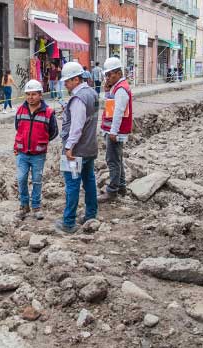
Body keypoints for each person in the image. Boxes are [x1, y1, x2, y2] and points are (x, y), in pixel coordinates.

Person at [55, 61, 99, 234]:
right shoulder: (92, 93)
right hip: (90, 148)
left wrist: (69, 147)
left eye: (66, 81)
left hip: (76, 152)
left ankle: (68, 222)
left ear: (75, 79)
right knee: (89, 181)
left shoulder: (78, 98)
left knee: (72, 185)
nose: (65, 84)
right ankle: (90, 215)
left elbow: (77, 126)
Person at [14, 80, 59, 220]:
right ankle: (24, 205)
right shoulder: (20, 110)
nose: (30, 97)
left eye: (33, 94)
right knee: (21, 179)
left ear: (41, 95)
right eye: (28, 94)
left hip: (38, 154)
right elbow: (18, 128)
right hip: (22, 153)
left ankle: (36, 207)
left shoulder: (48, 113)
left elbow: (53, 132)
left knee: (37, 180)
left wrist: (41, 142)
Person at [98, 57, 132, 203]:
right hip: (114, 130)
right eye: (106, 75)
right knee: (117, 159)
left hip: (116, 132)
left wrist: (113, 131)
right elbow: (110, 106)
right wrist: (106, 91)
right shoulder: (117, 87)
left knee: (112, 160)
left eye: (109, 75)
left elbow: (118, 112)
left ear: (118, 73)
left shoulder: (121, 89)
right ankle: (121, 186)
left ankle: (112, 191)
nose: (107, 78)